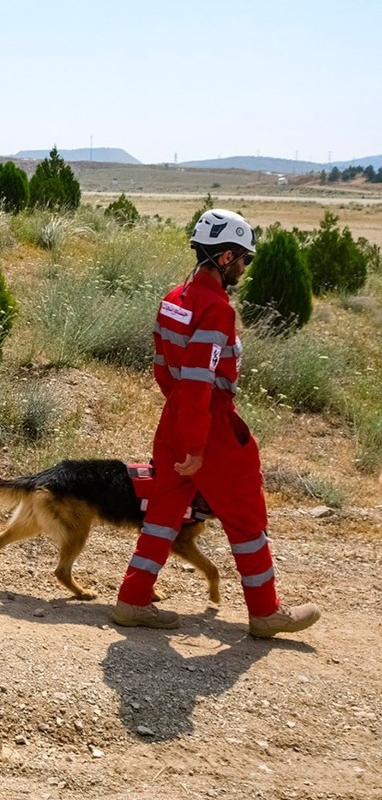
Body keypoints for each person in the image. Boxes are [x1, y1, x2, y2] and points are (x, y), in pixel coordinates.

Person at [112, 209, 319, 638]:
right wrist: (197, 443)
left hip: (175, 417)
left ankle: (132, 600)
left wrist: (180, 421)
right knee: (246, 516)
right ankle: (265, 612)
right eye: (245, 259)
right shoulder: (216, 308)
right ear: (225, 257)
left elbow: (162, 369)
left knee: (164, 513)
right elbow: (199, 381)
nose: (245, 267)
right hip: (210, 424)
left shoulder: (173, 298)